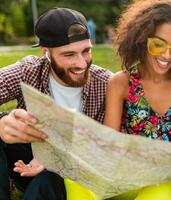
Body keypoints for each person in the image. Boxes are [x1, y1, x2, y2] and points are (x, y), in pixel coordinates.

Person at [0, 7, 112, 200]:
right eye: (69, 55)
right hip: (27, 162)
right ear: (46, 53)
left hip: (74, 170)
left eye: (86, 51)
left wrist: (55, 157)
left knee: (49, 179)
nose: (82, 63)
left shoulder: (106, 84)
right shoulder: (29, 71)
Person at [104, 0, 171, 198]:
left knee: (158, 194)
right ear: (141, 39)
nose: (167, 55)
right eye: (158, 44)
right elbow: (110, 147)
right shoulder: (121, 83)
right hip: (133, 177)